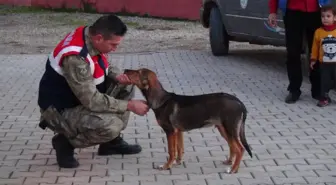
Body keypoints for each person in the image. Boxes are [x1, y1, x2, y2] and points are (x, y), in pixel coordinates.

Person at [37, 14, 150, 168]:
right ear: (98, 38)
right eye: (113, 44)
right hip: (60, 111)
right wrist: (129, 105)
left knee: (126, 85)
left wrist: (117, 76)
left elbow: (104, 64)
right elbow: (92, 101)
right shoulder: (76, 58)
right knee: (111, 125)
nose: (115, 49)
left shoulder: (88, 34)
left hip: (78, 99)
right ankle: (65, 143)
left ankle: (110, 143)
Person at [268, 0, 331, 104]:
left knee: (317, 52)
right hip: (293, 12)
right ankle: (294, 89)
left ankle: (318, 89)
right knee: (293, 52)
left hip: (315, 11)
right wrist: (272, 11)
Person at [310, 5, 336, 107]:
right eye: (323, 16)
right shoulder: (319, 32)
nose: (325, 18)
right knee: (324, 81)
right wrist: (313, 59)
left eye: (328, 16)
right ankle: (324, 98)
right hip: (324, 63)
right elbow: (315, 47)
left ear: (335, 18)